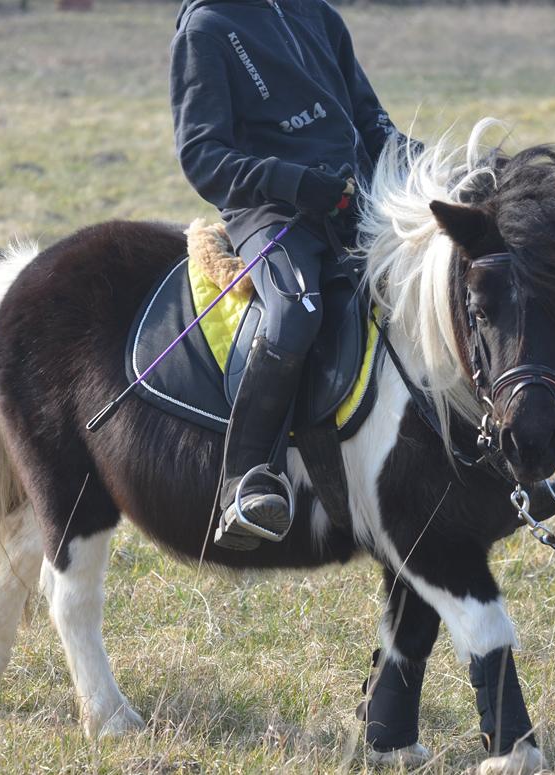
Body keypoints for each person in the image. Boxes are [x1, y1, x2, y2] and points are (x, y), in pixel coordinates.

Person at [170, 0, 412, 549]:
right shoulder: (206, 30)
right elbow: (203, 156)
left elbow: (369, 119)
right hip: (273, 212)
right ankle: (247, 479)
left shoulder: (318, 15)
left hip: (357, 203)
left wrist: (418, 160)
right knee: (295, 313)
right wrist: (298, 183)